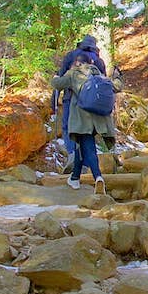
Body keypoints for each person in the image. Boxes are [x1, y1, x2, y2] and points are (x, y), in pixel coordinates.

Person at [50, 53, 118, 194]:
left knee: (88, 148)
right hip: (98, 119)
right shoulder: (99, 75)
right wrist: (117, 76)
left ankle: (98, 177)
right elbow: (117, 87)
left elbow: (57, 85)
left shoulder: (74, 73)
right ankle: (75, 178)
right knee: (80, 146)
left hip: (81, 119)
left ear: (77, 63)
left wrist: (56, 77)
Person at [54, 35, 107, 167]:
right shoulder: (98, 60)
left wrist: (53, 101)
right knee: (87, 131)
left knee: (68, 127)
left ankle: (73, 155)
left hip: (71, 97)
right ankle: (87, 163)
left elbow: (60, 80)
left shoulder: (71, 55)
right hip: (92, 102)